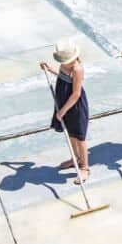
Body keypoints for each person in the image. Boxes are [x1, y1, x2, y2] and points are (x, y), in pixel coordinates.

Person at [41, 39, 91, 184]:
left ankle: (85, 167)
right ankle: (75, 158)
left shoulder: (77, 69)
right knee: (71, 134)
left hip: (74, 106)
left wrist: (62, 111)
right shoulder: (64, 64)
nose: (64, 63)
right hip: (63, 102)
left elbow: (76, 94)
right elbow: (62, 76)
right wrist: (50, 69)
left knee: (79, 137)